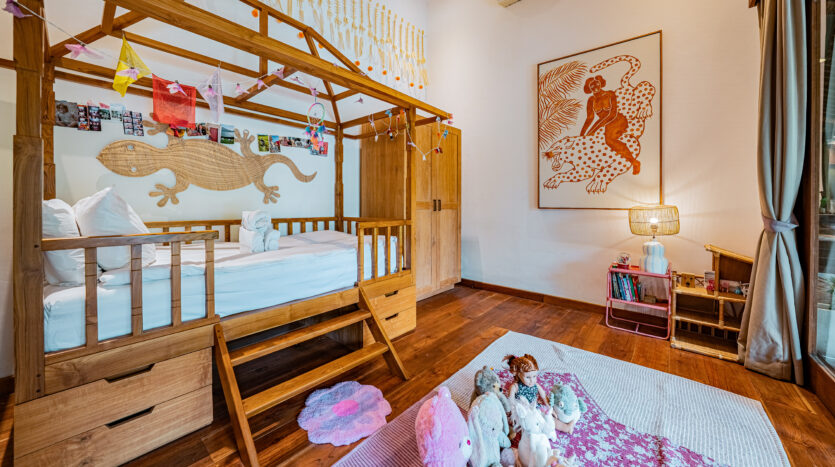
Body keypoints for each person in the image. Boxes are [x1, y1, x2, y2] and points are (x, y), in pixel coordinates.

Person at [580, 75, 640, 175]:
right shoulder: (591, 100)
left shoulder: (610, 94)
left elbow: (612, 114)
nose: (595, 87)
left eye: (596, 83)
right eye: (592, 86)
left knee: (609, 140)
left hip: (617, 120)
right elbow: (589, 118)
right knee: (592, 140)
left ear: (600, 83)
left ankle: (634, 162)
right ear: (589, 88)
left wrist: (594, 129)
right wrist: (582, 135)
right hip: (605, 123)